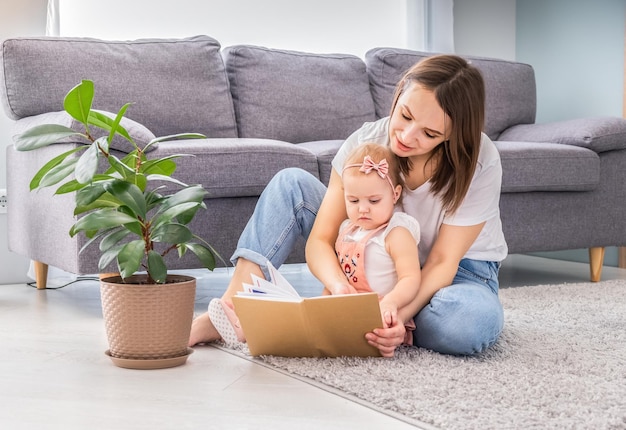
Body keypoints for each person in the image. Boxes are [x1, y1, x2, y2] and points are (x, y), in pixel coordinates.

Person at [189, 54, 507, 358]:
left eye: (430, 133)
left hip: (457, 274)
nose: (408, 136)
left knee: (461, 325)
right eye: (405, 115)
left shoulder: (479, 160)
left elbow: (441, 262)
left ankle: (391, 324)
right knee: (291, 185)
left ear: (453, 135)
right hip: (371, 251)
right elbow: (321, 239)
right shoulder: (366, 141)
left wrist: (396, 313)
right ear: (398, 96)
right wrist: (339, 287)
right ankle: (231, 311)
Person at [333, 143, 420, 344]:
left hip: (384, 310)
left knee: (374, 337)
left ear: (395, 195)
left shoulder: (396, 232)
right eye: (353, 201)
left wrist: (391, 303)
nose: (363, 209)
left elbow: (411, 278)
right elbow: (340, 276)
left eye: (373, 201)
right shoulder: (347, 230)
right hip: (350, 307)